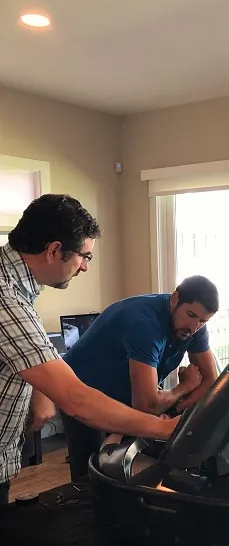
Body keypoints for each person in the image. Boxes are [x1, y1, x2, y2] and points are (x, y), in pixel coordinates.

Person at [0, 193, 179, 507]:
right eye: (84, 256)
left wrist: (40, 390)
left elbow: (29, 352)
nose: (84, 267)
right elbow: (77, 400)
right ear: (55, 250)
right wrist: (165, 429)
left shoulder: (16, 286)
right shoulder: (7, 298)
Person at [61, 276, 220, 480]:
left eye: (202, 321)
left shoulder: (194, 326)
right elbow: (146, 405)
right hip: (81, 387)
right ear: (174, 299)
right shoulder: (145, 324)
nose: (194, 327)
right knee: (89, 475)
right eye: (191, 315)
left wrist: (175, 409)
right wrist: (185, 387)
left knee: (128, 465)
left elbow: (210, 380)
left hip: (127, 391)